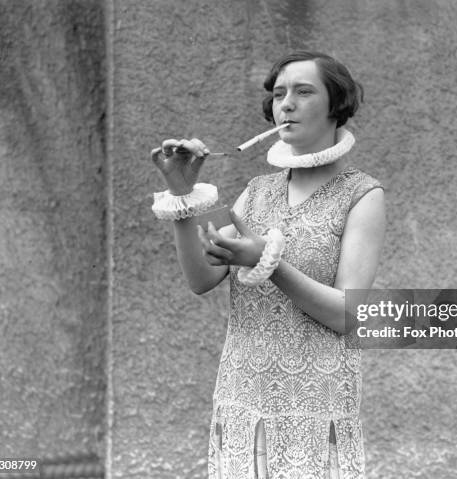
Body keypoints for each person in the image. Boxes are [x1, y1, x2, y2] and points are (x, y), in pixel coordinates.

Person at [150, 50, 385, 479]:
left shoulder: (363, 196)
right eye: (279, 94)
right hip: (243, 400)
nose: (287, 104)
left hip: (316, 405)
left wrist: (269, 263)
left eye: (303, 91)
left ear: (336, 105)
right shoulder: (255, 193)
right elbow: (201, 279)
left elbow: (348, 315)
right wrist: (183, 195)